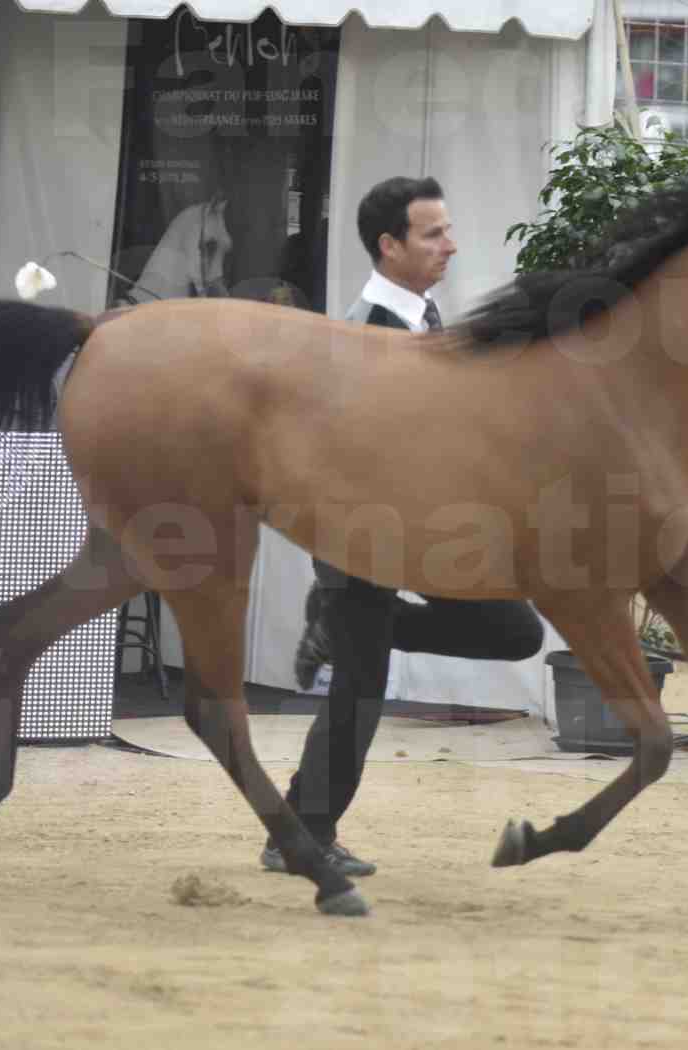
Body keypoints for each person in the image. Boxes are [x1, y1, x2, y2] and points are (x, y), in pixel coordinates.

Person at [263, 176, 546, 877]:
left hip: (429, 534)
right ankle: (298, 837)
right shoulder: (366, 330)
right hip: (361, 535)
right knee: (360, 690)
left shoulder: (425, 318)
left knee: (514, 631)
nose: (450, 244)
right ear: (388, 246)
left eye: (446, 230)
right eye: (432, 234)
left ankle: (343, 627)